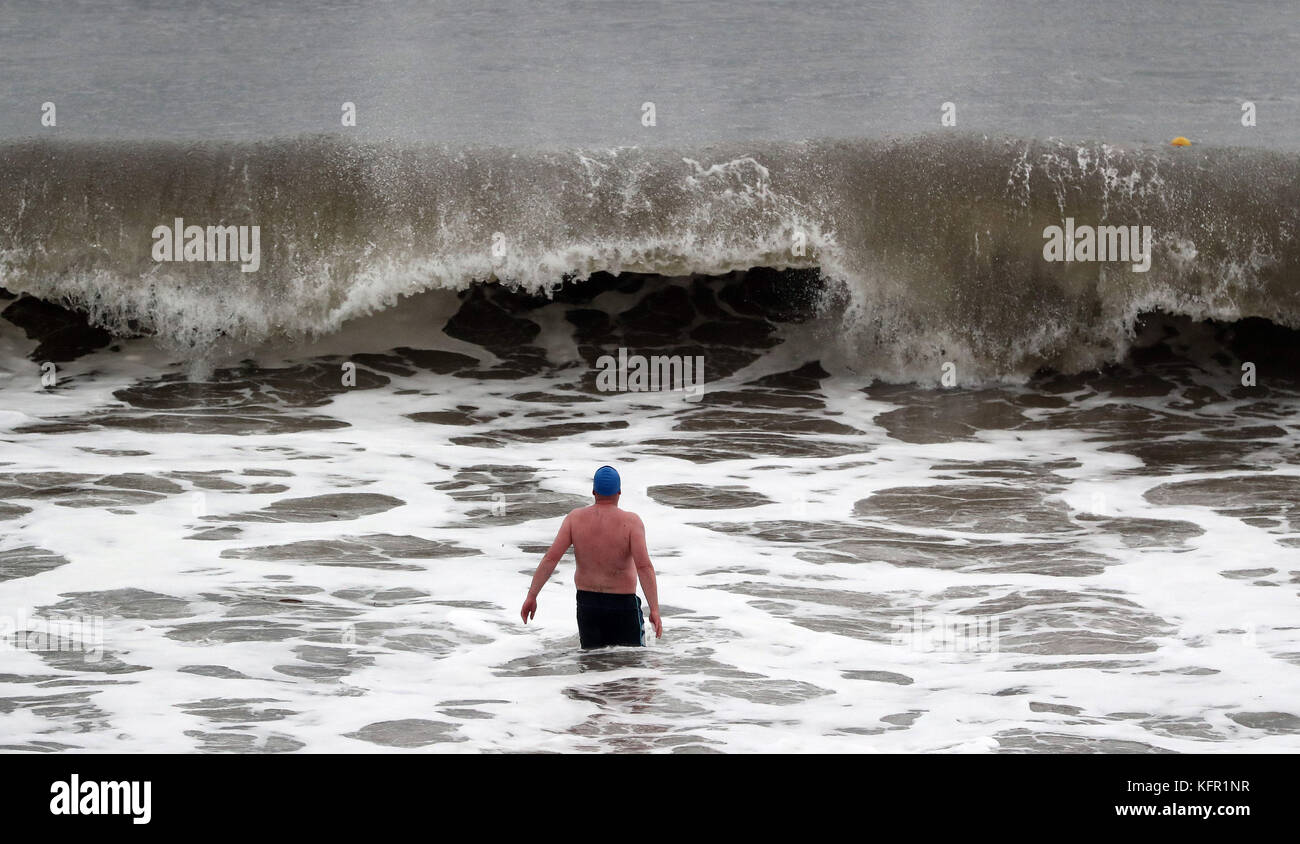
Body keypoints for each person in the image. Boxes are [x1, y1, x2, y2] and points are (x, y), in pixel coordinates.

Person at [520, 465, 663, 648]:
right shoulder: (631, 522)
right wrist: (654, 610)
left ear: (594, 491)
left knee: (593, 664)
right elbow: (644, 567)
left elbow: (551, 558)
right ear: (619, 492)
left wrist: (532, 596)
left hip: (588, 605)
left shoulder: (575, 518)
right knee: (630, 667)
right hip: (623, 605)